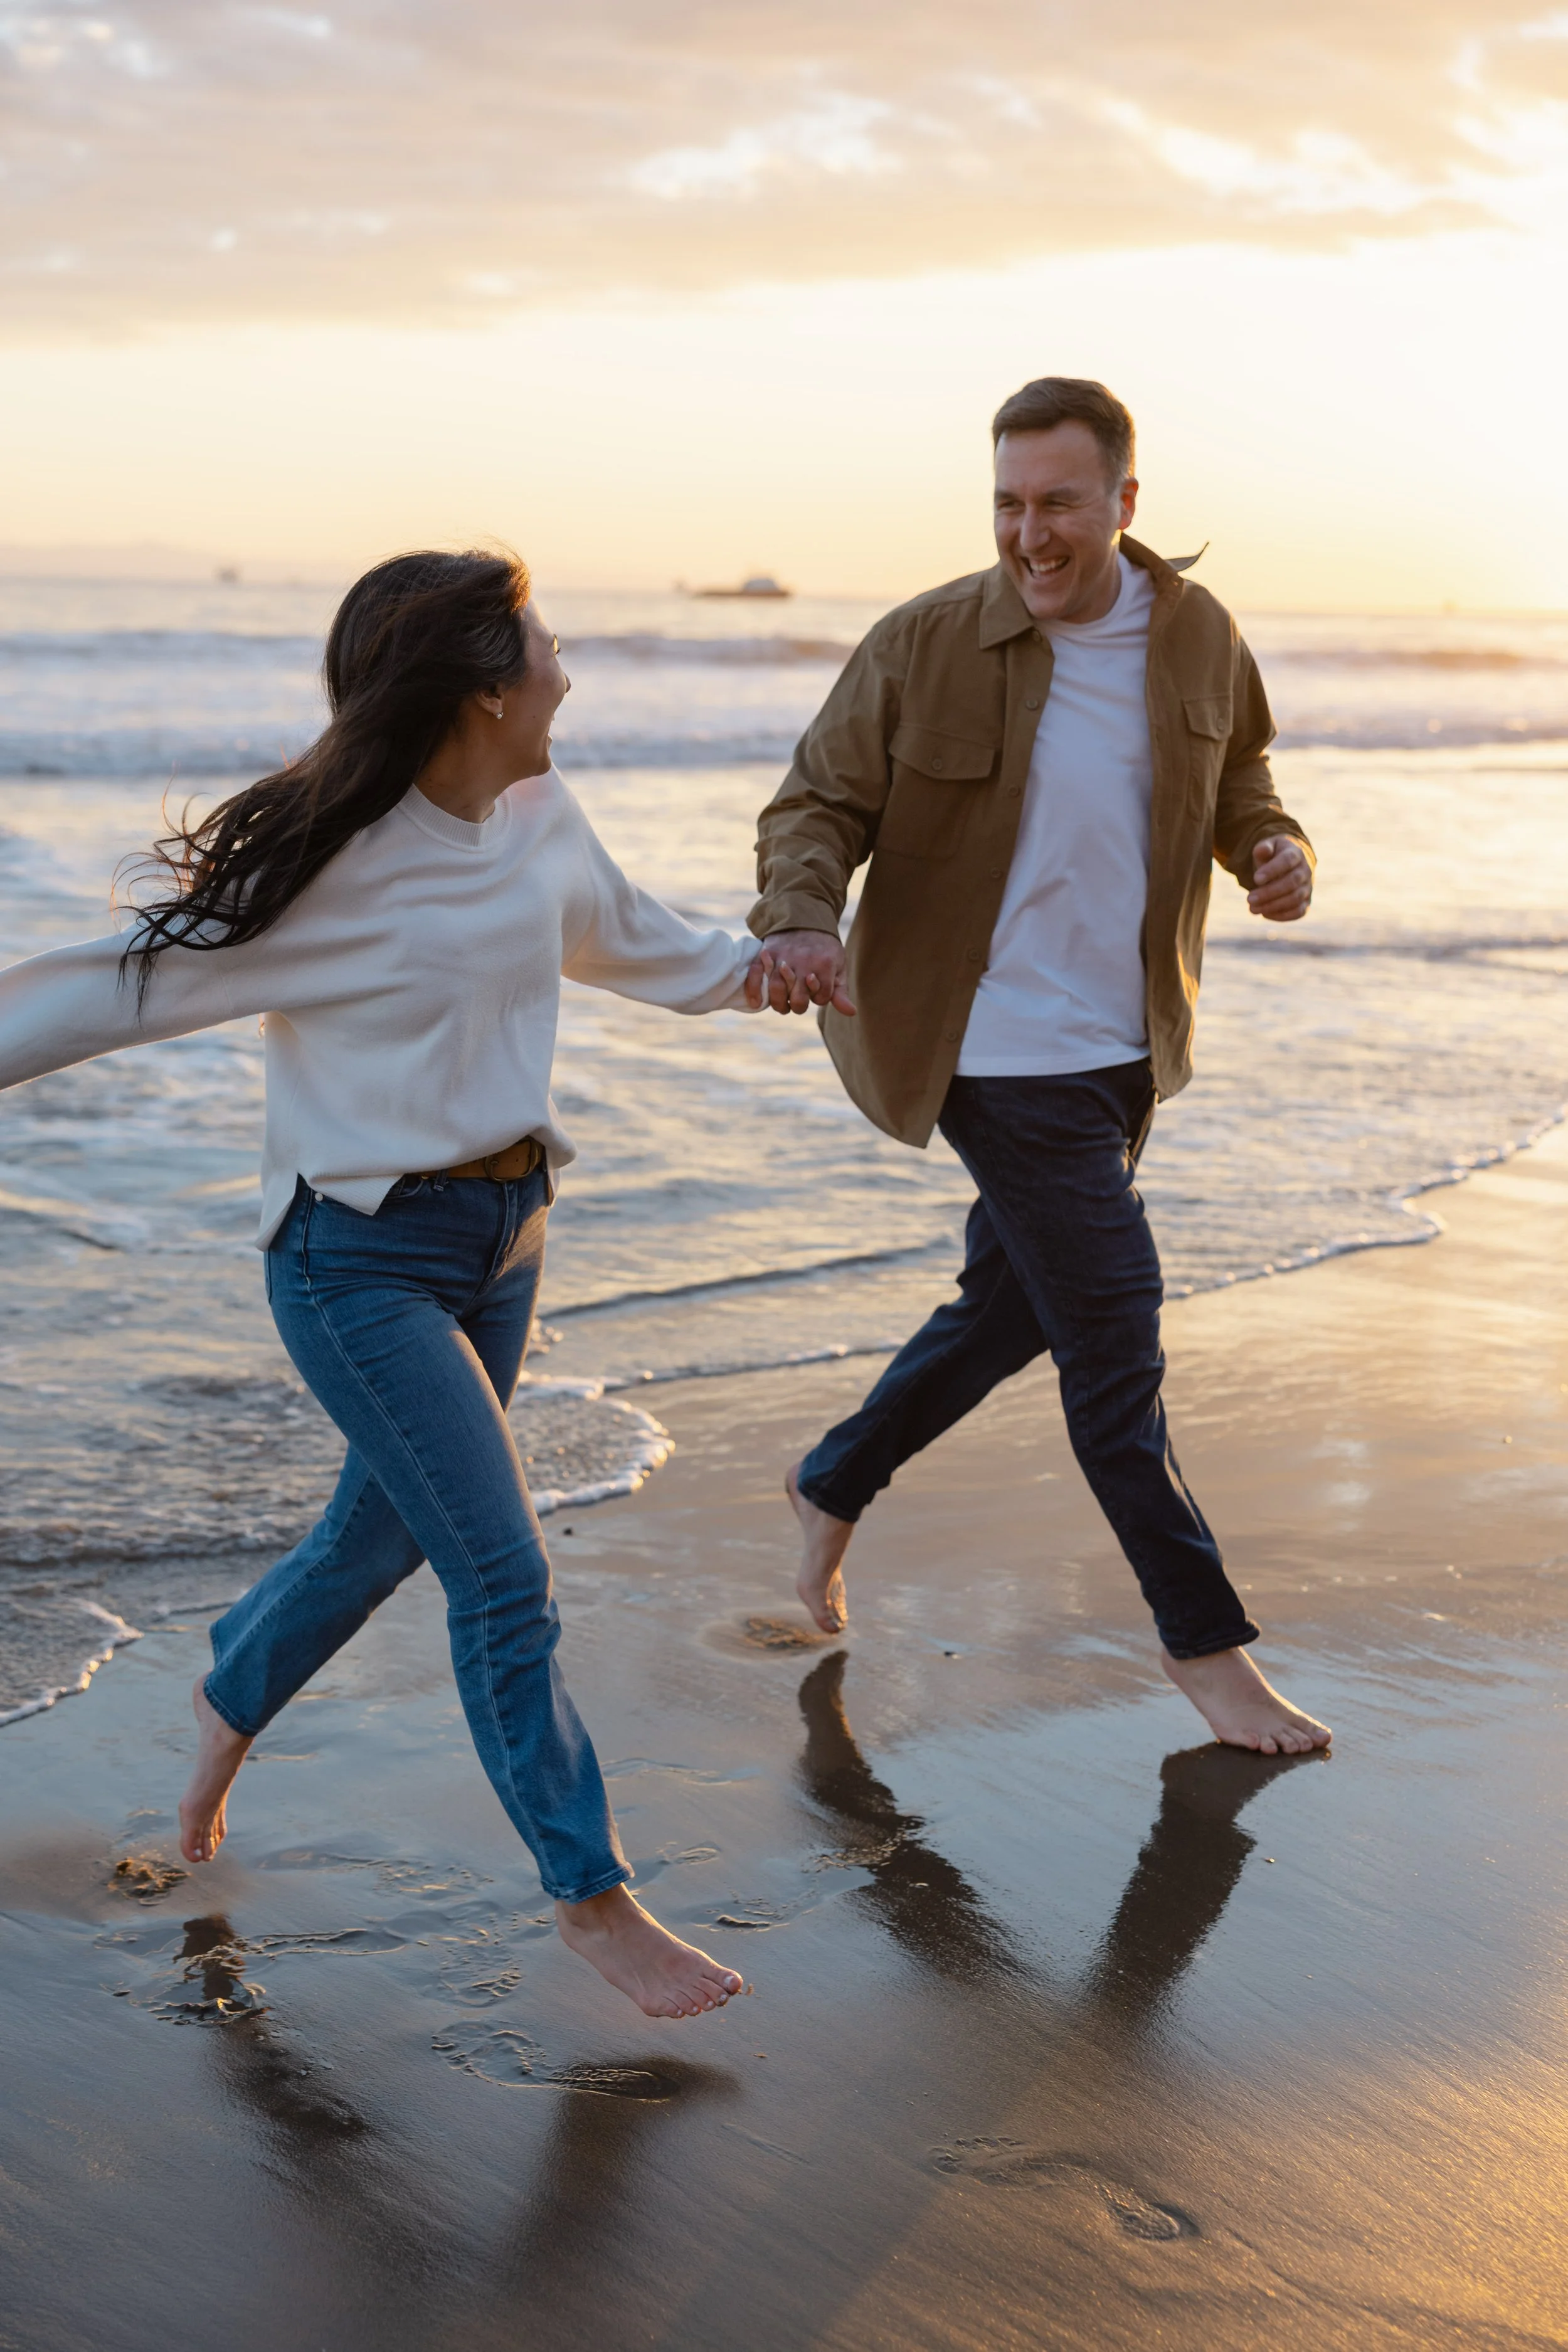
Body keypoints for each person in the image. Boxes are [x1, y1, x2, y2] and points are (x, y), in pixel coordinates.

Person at [0, 548, 789, 2019]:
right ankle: (591, 1896)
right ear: (486, 690)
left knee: (379, 1541)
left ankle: (230, 1690)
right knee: (503, 1568)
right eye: (549, 648)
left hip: (507, 1237)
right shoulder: (330, 874)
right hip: (354, 1259)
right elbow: (99, 989)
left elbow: (650, 944)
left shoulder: (541, 815)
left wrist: (792, 971)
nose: (568, 671)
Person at [752, 376, 1331, 1757]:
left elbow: (1239, 771)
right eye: (1007, 503)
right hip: (984, 1048)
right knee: (1114, 1326)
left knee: (1014, 1305)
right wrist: (796, 919)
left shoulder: (1193, 637)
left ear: (1124, 503)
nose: (1029, 533)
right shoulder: (925, 641)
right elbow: (815, 804)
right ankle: (1206, 1647)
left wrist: (1269, 845)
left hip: (1122, 1047)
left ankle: (829, 1481)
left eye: (1057, 502)